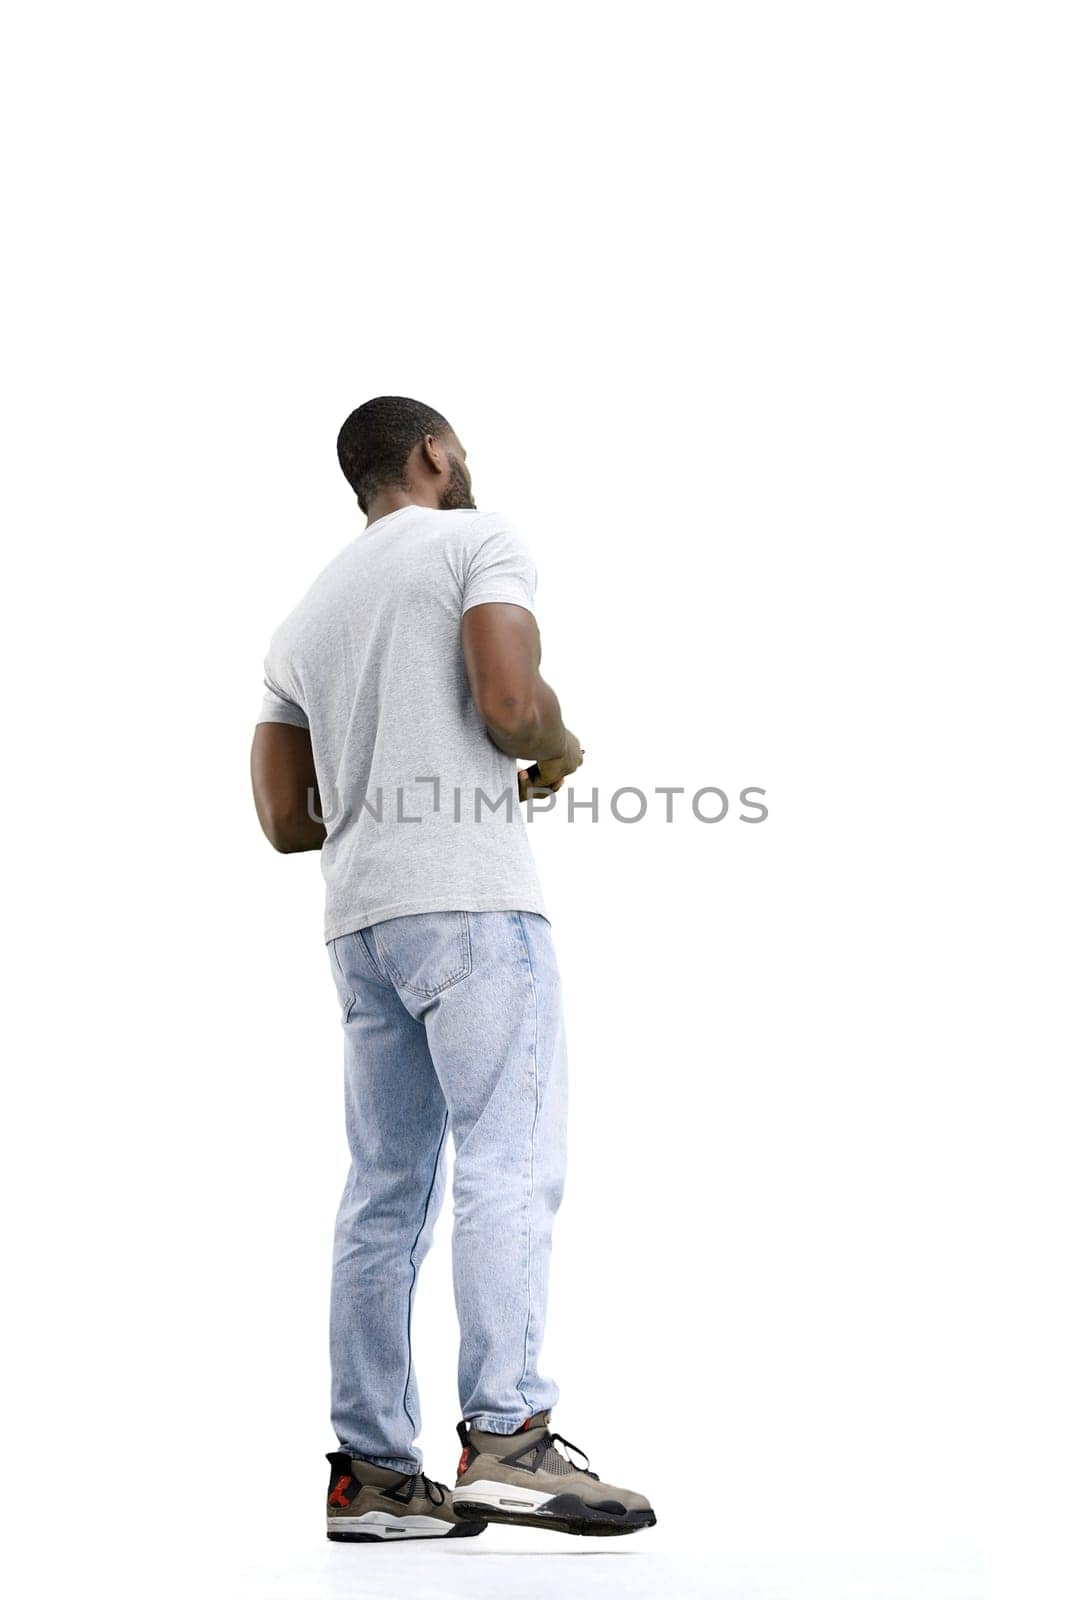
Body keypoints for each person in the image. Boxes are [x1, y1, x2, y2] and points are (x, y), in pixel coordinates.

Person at [251, 395, 655, 1543]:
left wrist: (388, 786)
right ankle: (508, 1438)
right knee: (506, 1159)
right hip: (472, 901)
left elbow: (285, 819)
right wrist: (559, 746)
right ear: (433, 453)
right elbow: (511, 703)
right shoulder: (479, 539)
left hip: (360, 923)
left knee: (385, 1192)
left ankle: (376, 1476)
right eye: (457, 449)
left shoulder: (303, 616)